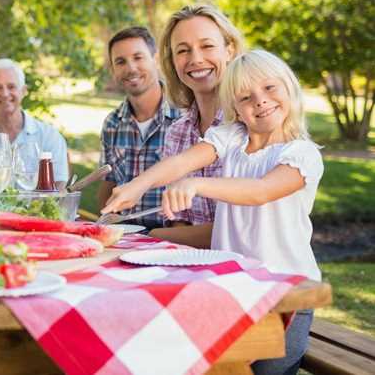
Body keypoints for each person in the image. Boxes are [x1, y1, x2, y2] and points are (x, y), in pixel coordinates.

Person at [103, 50, 323, 375]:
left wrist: (196, 186)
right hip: (234, 289)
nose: (260, 101)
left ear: (289, 87)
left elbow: (260, 191)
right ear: (235, 108)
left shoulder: (302, 154)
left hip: (288, 293)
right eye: (246, 96)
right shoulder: (232, 137)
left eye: (270, 88)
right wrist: (137, 186)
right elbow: (181, 162)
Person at [152, 4, 245, 246]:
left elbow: (243, 232)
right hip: (193, 267)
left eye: (207, 46)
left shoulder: (251, 124)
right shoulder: (177, 133)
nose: (195, 59)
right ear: (172, 61)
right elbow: (177, 218)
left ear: (230, 50)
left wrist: (148, 236)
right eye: (183, 51)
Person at [98, 26, 181, 227]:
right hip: (125, 236)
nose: (131, 68)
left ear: (156, 59)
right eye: (120, 62)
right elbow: (108, 185)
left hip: (172, 237)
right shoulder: (112, 123)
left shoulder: (184, 117)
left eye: (138, 57)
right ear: (113, 69)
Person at [0, 58, 69, 188]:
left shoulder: (50, 137)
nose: (4, 93)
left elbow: (58, 189)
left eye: (11, 86)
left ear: (24, 91)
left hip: (35, 209)